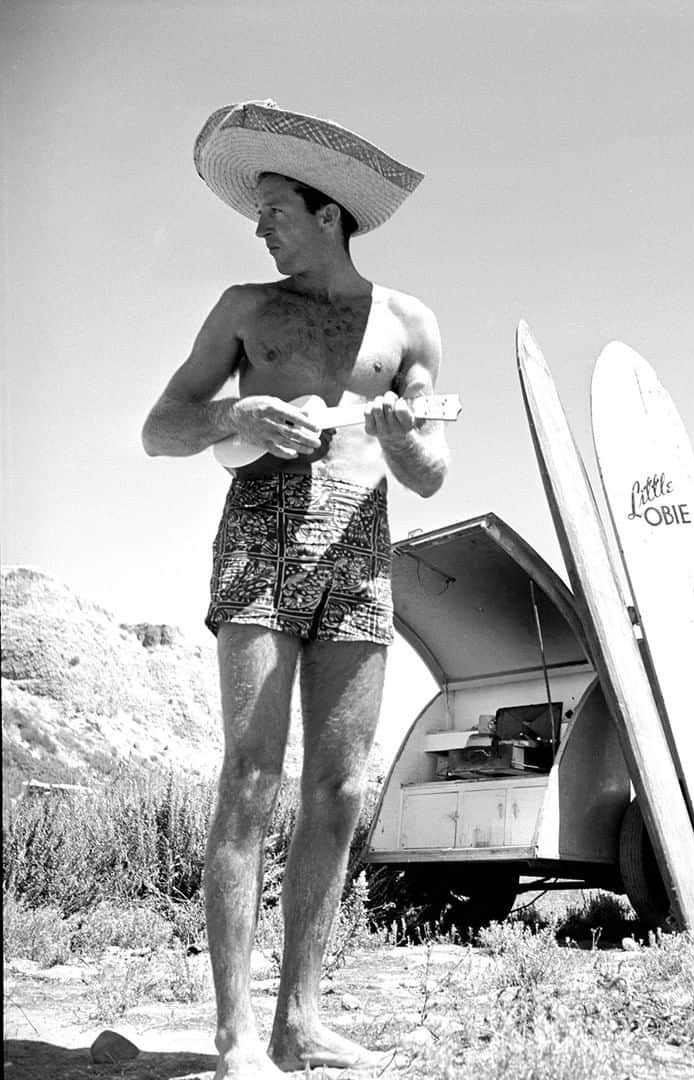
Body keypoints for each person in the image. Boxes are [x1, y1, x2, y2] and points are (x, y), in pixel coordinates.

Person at [142, 101, 449, 1078]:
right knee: (251, 778)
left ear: (327, 214)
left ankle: (300, 1022)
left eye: (275, 209)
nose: (258, 227)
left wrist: (406, 441)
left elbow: (432, 467)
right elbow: (161, 426)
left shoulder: (409, 323)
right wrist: (236, 410)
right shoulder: (242, 310)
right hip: (260, 548)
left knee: (338, 787)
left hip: (361, 558)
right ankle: (236, 1037)